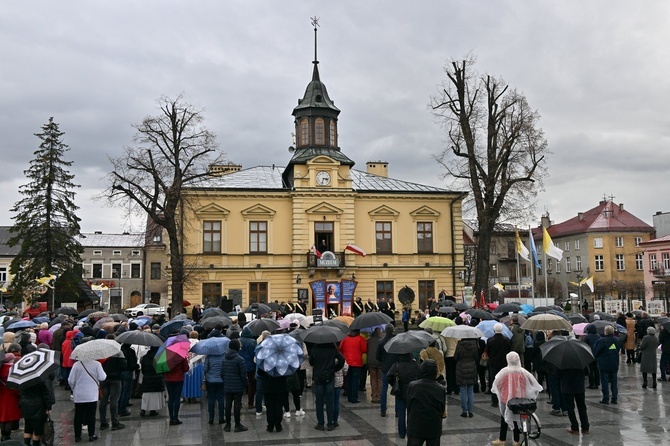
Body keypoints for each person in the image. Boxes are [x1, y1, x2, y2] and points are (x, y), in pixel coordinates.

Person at [490, 352, 542, 446]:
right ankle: (516, 441)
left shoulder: (504, 372)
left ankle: (502, 439)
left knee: (505, 418)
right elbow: (532, 382)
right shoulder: (523, 371)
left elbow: (497, 384)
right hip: (520, 399)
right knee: (517, 418)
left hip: (506, 400)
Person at [406, 359, 446, 446]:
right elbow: (442, 409)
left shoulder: (413, 386)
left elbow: (409, 406)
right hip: (434, 426)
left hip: (416, 425)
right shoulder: (440, 389)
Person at [69, 355, 106, 443]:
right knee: (91, 415)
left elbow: (70, 380)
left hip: (79, 395)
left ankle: (77, 436)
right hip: (92, 395)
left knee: (78, 415)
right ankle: (91, 435)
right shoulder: (97, 364)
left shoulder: (77, 365)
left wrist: (74, 388)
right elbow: (102, 377)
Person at [309, 342, 345, 431]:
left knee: (319, 402)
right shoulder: (332, 349)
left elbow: (311, 362)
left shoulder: (315, 349)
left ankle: (320, 424)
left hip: (318, 377)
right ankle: (330, 424)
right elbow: (342, 359)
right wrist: (335, 368)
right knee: (330, 401)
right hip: (329, 377)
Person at [387, 352, 421, 440]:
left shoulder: (397, 365)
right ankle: (410, 432)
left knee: (401, 413)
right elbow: (421, 375)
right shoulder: (415, 365)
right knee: (411, 413)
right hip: (413, 392)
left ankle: (401, 433)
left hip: (400, 392)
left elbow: (388, 376)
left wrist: (394, 384)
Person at [99, 335, 127, 431]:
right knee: (114, 400)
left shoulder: (100, 352)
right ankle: (115, 422)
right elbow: (124, 366)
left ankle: (103, 422)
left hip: (103, 378)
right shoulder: (118, 351)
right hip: (116, 379)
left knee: (103, 400)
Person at [220, 339, 249, 432]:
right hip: (238, 386)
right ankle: (237, 424)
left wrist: (226, 381)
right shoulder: (240, 359)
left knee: (228, 404)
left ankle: (228, 424)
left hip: (227, 385)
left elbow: (222, 373)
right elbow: (243, 374)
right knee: (237, 405)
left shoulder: (224, 358)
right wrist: (246, 384)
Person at [377, 324, 402, 417]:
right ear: (393, 330)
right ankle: (397, 410)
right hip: (395, 368)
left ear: (385, 331)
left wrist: (383, 361)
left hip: (385, 368)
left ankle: (383, 409)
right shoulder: (396, 341)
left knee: (384, 389)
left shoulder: (381, 342)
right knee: (397, 388)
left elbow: (377, 356)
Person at [593, 324, 622, 404]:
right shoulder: (617, 340)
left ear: (605, 332)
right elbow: (619, 349)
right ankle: (614, 398)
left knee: (604, 381)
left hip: (604, 363)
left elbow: (596, 351)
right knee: (614, 381)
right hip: (614, 363)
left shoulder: (601, 340)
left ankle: (605, 398)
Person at [338, 329, 367, 403]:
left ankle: (348, 395)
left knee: (348, 379)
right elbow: (364, 349)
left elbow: (340, 349)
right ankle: (354, 397)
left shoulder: (345, 338)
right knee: (355, 380)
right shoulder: (360, 339)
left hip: (347, 362)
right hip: (357, 362)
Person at [485, 323, 511, 407]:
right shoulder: (506, 340)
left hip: (493, 363)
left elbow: (487, 352)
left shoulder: (490, 340)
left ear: (494, 330)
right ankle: (504, 398)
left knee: (494, 381)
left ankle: (494, 401)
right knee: (503, 382)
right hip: (504, 363)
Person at [164, 342, 189, 425]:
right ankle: (176, 418)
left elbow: (163, 368)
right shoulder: (181, 356)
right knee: (177, 398)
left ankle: (171, 418)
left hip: (168, 379)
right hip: (179, 379)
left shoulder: (165, 356)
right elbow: (186, 369)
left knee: (171, 398)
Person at [559, 366, 590, 435]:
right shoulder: (580, 360)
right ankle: (585, 427)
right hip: (579, 386)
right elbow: (587, 372)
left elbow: (557, 373)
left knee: (570, 408)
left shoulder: (562, 361)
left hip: (567, 387)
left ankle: (575, 428)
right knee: (582, 407)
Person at [454, 337, 478, 418]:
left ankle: (464, 411)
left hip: (461, 368)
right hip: (472, 367)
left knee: (463, 390)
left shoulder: (460, 344)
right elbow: (476, 357)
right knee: (470, 390)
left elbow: (455, 357)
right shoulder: (474, 344)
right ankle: (471, 411)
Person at [139, 346, 165, 417]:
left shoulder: (144, 357)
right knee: (155, 396)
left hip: (147, 378)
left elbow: (143, 370)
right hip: (157, 378)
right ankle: (153, 410)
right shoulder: (159, 357)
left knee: (146, 396)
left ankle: (143, 410)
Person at [0, 353, 21, 441]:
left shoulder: (0, 369)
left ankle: (3, 434)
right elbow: (16, 385)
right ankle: (7, 436)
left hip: (2, 396)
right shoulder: (12, 370)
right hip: (11, 397)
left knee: (2, 416)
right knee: (9, 417)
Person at [367, 327, 383, 403]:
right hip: (380, 362)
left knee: (373, 380)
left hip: (371, 362)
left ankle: (374, 396)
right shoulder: (381, 340)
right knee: (379, 380)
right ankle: (379, 396)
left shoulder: (369, 340)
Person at [582, 325, 600, 389]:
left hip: (589, 355)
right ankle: (597, 383)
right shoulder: (598, 336)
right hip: (597, 355)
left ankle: (591, 383)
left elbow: (584, 345)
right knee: (596, 369)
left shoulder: (587, 337)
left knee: (591, 370)